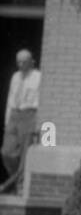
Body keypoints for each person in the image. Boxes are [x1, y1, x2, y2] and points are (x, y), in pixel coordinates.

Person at [2, 49, 40, 191]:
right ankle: (16, 178)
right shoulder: (15, 76)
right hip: (14, 114)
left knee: (24, 153)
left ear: (31, 62)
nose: (21, 64)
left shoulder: (39, 77)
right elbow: (10, 99)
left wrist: (38, 122)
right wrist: (7, 121)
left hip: (29, 114)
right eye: (18, 61)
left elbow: (41, 100)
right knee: (7, 152)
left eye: (24, 61)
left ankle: (19, 185)